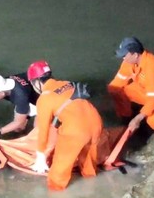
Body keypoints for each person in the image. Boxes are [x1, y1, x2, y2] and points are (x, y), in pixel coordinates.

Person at [27, 60, 102, 191]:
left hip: (76, 131)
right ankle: (92, 190)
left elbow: (43, 131)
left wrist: (40, 155)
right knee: (89, 166)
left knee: (57, 177)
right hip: (96, 122)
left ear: (36, 82)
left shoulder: (44, 98)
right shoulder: (67, 83)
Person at [108, 37, 154, 137]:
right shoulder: (129, 62)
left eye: (125, 55)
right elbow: (116, 84)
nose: (123, 58)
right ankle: (126, 117)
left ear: (135, 54)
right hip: (146, 90)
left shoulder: (152, 64)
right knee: (116, 91)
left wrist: (138, 118)